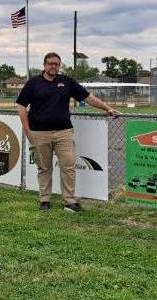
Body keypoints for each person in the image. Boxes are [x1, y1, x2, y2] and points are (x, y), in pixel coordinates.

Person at [16, 52, 119, 213]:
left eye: (56, 64)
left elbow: (88, 97)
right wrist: (28, 130)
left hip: (64, 132)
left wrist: (108, 108)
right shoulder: (33, 83)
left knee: (68, 166)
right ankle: (44, 200)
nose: (53, 66)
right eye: (50, 63)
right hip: (39, 133)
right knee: (44, 168)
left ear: (59, 65)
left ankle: (69, 201)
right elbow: (21, 107)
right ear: (44, 65)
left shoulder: (67, 82)